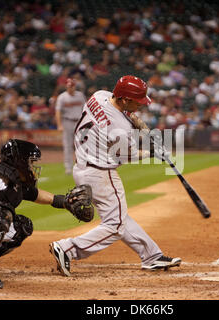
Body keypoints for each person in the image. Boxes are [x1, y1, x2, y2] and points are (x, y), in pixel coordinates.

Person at [49, 75, 181, 277]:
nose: (141, 105)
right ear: (125, 99)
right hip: (100, 174)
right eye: (137, 101)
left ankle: (151, 256)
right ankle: (68, 248)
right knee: (116, 225)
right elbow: (128, 155)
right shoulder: (120, 129)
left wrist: (134, 119)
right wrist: (153, 153)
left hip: (82, 167)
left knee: (119, 217)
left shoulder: (99, 96)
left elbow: (116, 116)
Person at [0, 139, 93, 289]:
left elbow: (35, 194)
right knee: (0, 215)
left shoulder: (13, 181)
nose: (33, 166)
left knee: (22, 227)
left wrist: (64, 202)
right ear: (19, 161)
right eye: (31, 161)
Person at [55, 78, 86, 175]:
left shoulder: (80, 95)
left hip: (79, 122)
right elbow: (58, 112)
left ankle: (82, 165)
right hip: (67, 121)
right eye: (68, 86)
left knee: (82, 145)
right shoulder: (62, 97)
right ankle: (68, 167)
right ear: (66, 87)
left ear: (74, 86)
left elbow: (85, 109)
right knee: (67, 146)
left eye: (71, 86)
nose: (70, 88)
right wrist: (59, 125)